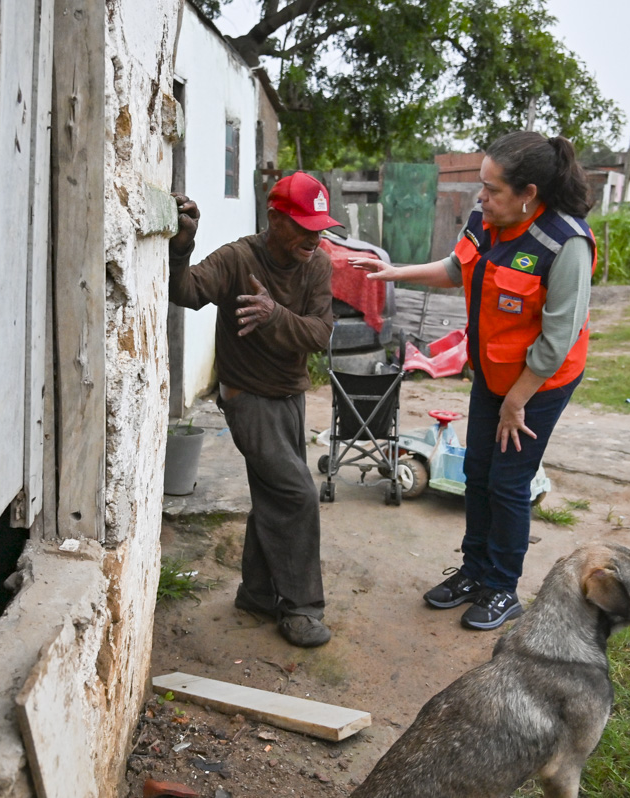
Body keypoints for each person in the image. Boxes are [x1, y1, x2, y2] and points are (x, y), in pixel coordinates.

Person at [350, 131, 597, 630]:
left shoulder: (565, 243)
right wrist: (393, 272)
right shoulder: (487, 220)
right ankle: (474, 571)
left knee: (507, 482)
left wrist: (516, 401)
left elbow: (557, 342)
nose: (480, 197)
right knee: (477, 472)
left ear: (528, 193)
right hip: (492, 372)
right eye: (481, 186)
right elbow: (455, 268)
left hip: (539, 384)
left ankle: (502, 586)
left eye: (492, 188)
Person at [169, 172, 338, 647]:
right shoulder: (237, 258)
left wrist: (273, 315)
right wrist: (182, 246)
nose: (314, 237)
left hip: (290, 396)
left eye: (320, 227)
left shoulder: (317, 265)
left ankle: (258, 594)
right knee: (297, 495)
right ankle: (301, 608)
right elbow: (186, 292)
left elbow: (320, 333)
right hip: (248, 399)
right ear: (275, 218)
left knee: (273, 495)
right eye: (304, 226)